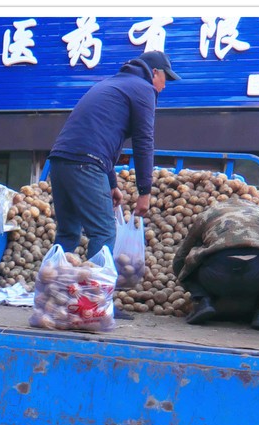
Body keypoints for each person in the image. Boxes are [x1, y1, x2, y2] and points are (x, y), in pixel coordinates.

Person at [48, 50, 179, 264]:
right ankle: (94, 294)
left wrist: (111, 183)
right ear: (155, 73)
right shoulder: (144, 89)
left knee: (68, 233)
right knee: (103, 232)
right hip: (86, 163)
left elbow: (101, 140)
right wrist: (145, 191)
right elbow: (143, 141)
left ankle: (50, 290)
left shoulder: (113, 83)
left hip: (59, 160)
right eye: (166, 79)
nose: (165, 86)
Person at [171, 200, 259, 329]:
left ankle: (202, 300)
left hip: (216, 275)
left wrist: (185, 279)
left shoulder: (207, 214)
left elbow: (181, 255)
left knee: (193, 255)